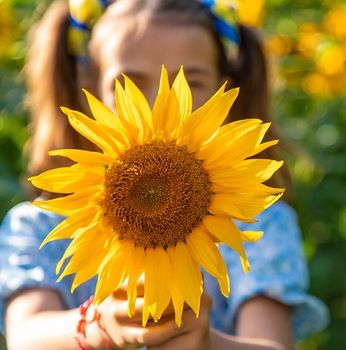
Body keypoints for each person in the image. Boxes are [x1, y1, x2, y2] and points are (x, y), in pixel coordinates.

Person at [0, 0, 328, 348]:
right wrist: (98, 327)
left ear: (226, 90)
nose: (161, 102)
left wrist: (206, 343)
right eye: (130, 84)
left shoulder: (258, 223)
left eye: (190, 82)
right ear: (91, 90)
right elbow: (26, 336)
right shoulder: (41, 226)